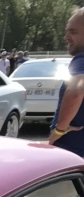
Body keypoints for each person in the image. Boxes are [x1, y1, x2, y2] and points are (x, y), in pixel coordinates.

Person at [49, 8, 84, 157]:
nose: (66, 37)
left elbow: (76, 91)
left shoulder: (81, 60)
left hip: (71, 152)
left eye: (73, 32)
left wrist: (59, 130)